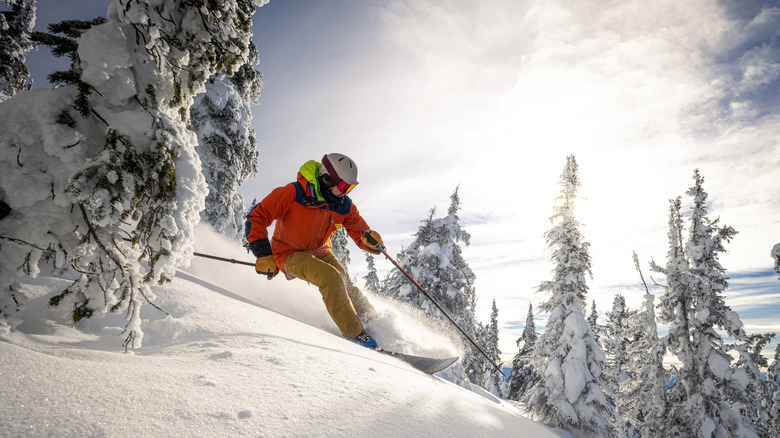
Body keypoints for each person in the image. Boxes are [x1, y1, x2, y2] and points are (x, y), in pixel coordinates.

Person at [245, 153, 384, 349]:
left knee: (345, 282)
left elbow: (359, 229)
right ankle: (356, 335)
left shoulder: (343, 204)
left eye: (350, 188)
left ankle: (374, 323)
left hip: (321, 250)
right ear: (327, 179)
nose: (345, 193)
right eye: (343, 187)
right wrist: (263, 253)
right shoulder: (293, 193)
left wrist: (372, 242)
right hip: (288, 253)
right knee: (331, 277)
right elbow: (257, 217)